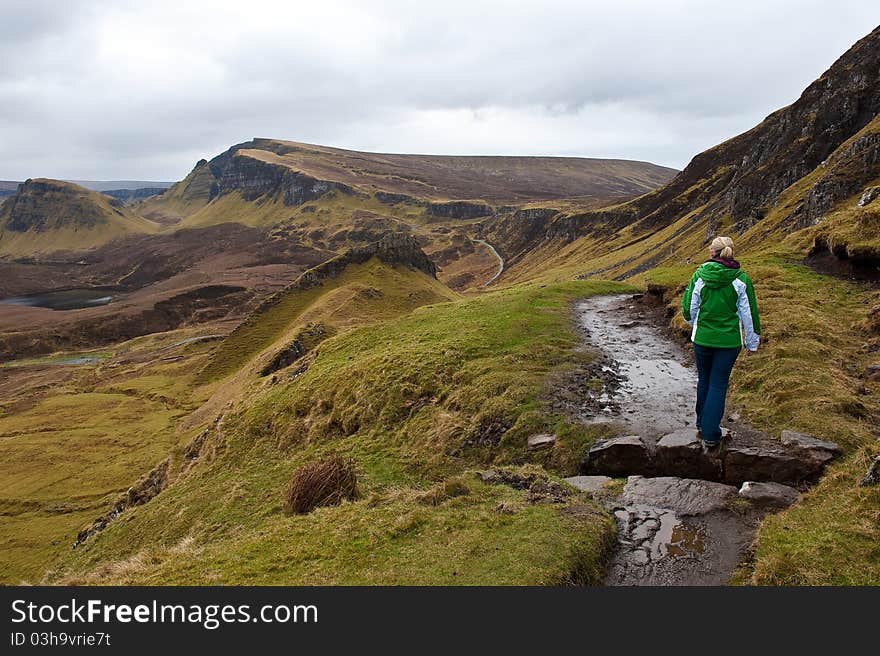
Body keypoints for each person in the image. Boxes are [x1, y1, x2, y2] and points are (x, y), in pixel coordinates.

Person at [681, 236, 761, 448]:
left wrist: (693, 323)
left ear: (712, 253)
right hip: (729, 342)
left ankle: (701, 423)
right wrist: (751, 342)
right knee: (718, 383)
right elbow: (748, 314)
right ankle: (711, 433)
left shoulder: (700, 275)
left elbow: (689, 308)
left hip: (702, 339)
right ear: (731, 252)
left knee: (704, 380)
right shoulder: (741, 279)